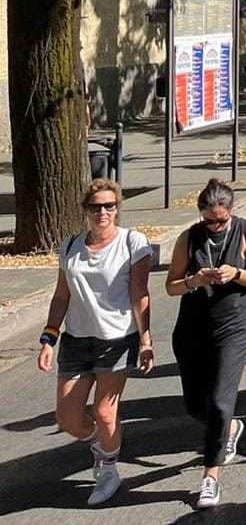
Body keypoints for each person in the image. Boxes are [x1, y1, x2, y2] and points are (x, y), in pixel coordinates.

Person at [38, 179, 154, 508]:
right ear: (85, 210)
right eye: (95, 207)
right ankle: (102, 446)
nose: (102, 212)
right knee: (68, 418)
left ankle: (109, 468)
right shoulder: (71, 246)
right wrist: (49, 338)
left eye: (109, 206)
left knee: (105, 413)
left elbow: (139, 294)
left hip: (117, 338)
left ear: (117, 207)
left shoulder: (133, 242)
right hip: (76, 340)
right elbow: (62, 296)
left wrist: (145, 339)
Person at [165, 179, 246, 509]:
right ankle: (231, 427)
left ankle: (211, 476)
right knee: (197, 407)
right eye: (208, 220)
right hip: (192, 328)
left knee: (221, 402)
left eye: (220, 220)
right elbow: (171, 286)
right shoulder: (189, 237)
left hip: (233, 326)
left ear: (231, 212)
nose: (214, 225)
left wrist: (235, 272)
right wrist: (194, 280)